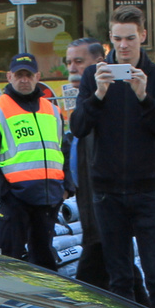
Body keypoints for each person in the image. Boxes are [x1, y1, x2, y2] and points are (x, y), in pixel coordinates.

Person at [68, 6, 155, 308]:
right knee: (119, 278)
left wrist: (144, 97)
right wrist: (99, 94)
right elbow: (78, 127)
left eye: (130, 38)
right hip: (107, 192)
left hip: (145, 190)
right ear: (110, 40)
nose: (124, 46)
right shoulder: (94, 75)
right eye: (117, 39)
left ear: (143, 36)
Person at [0, 53, 66, 270]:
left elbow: (64, 150)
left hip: (47, 200)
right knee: (13, 265)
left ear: (37, 76)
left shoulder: (53, 111)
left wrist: (66, 187)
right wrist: (6, 195)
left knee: (44, 264)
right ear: (9, 76)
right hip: (16, 202)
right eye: (19, 75)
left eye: (28, 74)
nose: (24, 79)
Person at [63, 37, 109, 290]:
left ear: (98, 63)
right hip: (88, 203)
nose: (72, 68)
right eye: (69, 62)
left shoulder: (105, 100)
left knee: (98, 268)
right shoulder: (81, 103)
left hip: (102, 201)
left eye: (79, 61)